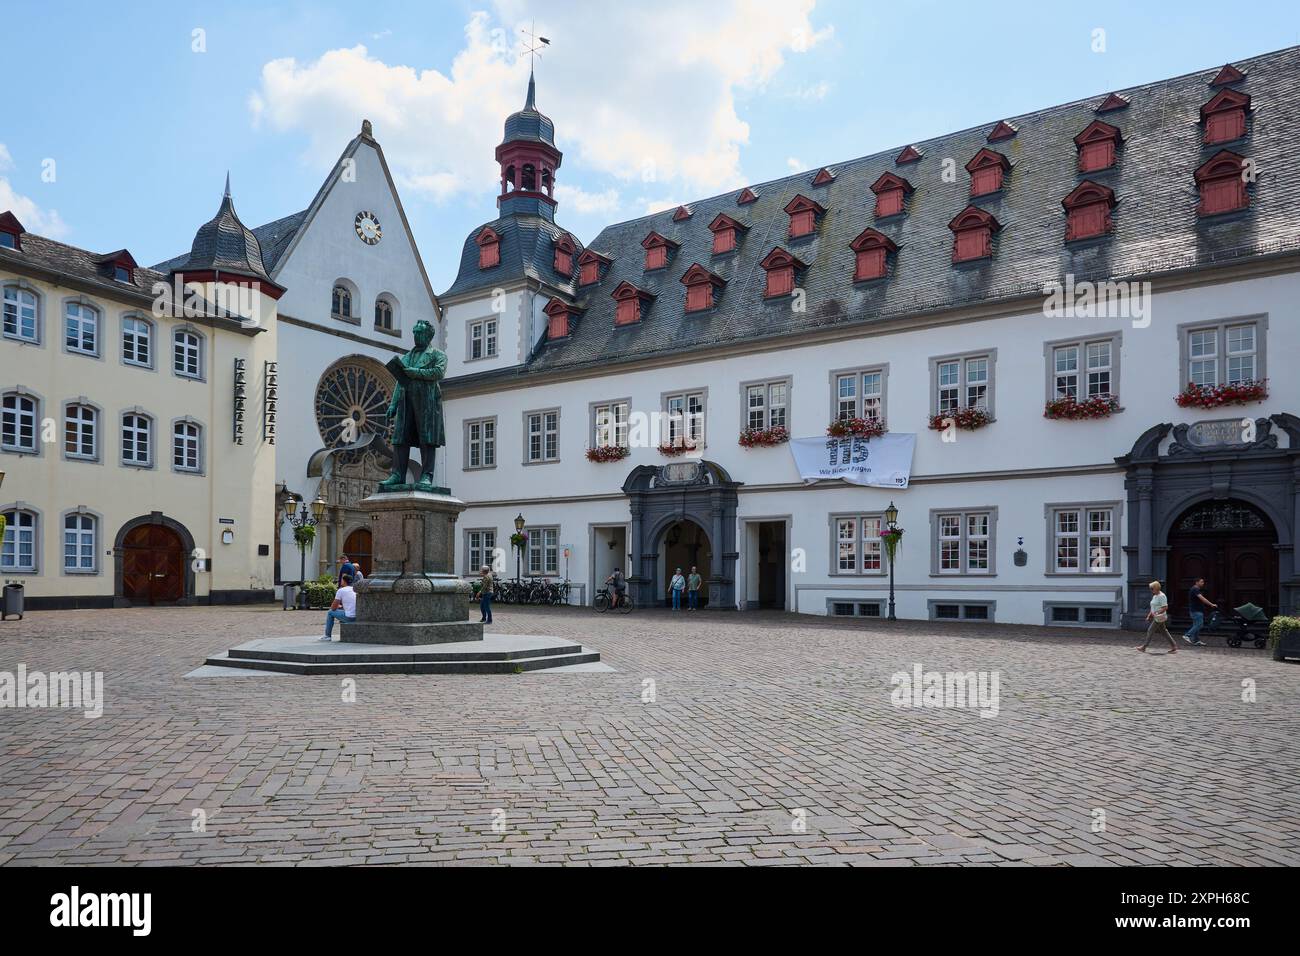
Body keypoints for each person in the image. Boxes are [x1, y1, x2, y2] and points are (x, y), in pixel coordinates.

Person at [1137, 579, 1177, 654]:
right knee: (1164, 631)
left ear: (1156, 588)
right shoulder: (1155, 596)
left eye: (1152, 588)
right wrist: (1149, 615)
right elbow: (1153, 606)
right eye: (1150, 589)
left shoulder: (1162, 596)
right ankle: (1174, 646)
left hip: (1159, 617)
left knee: (1150, 630)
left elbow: (1165, 607)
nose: (1151, 590)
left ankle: (1144, 647)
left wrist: (1156, 613)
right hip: (1156, 617)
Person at [323, 573, 357, 641]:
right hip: (357, 617)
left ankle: (327, 636)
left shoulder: (341, 590)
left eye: (341, 580)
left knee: (330, 613)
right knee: (343, 611)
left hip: (349, 617)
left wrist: (338, 606)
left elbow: (333, 608)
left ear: (344, 581)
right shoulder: (355, 589)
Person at [1183, 577, 1216, 646]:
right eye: (1201, 582)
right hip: (1196, 611)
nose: (1203, 583)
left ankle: (1196, 640)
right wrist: (1211, 604)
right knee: (1199, 624)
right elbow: (1202, 599)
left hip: (1196, 610)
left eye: (1203, 582)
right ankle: (1187, 635)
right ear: (1196, 582)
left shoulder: (1195, 589)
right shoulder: (1195, 589)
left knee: (1196, 625)